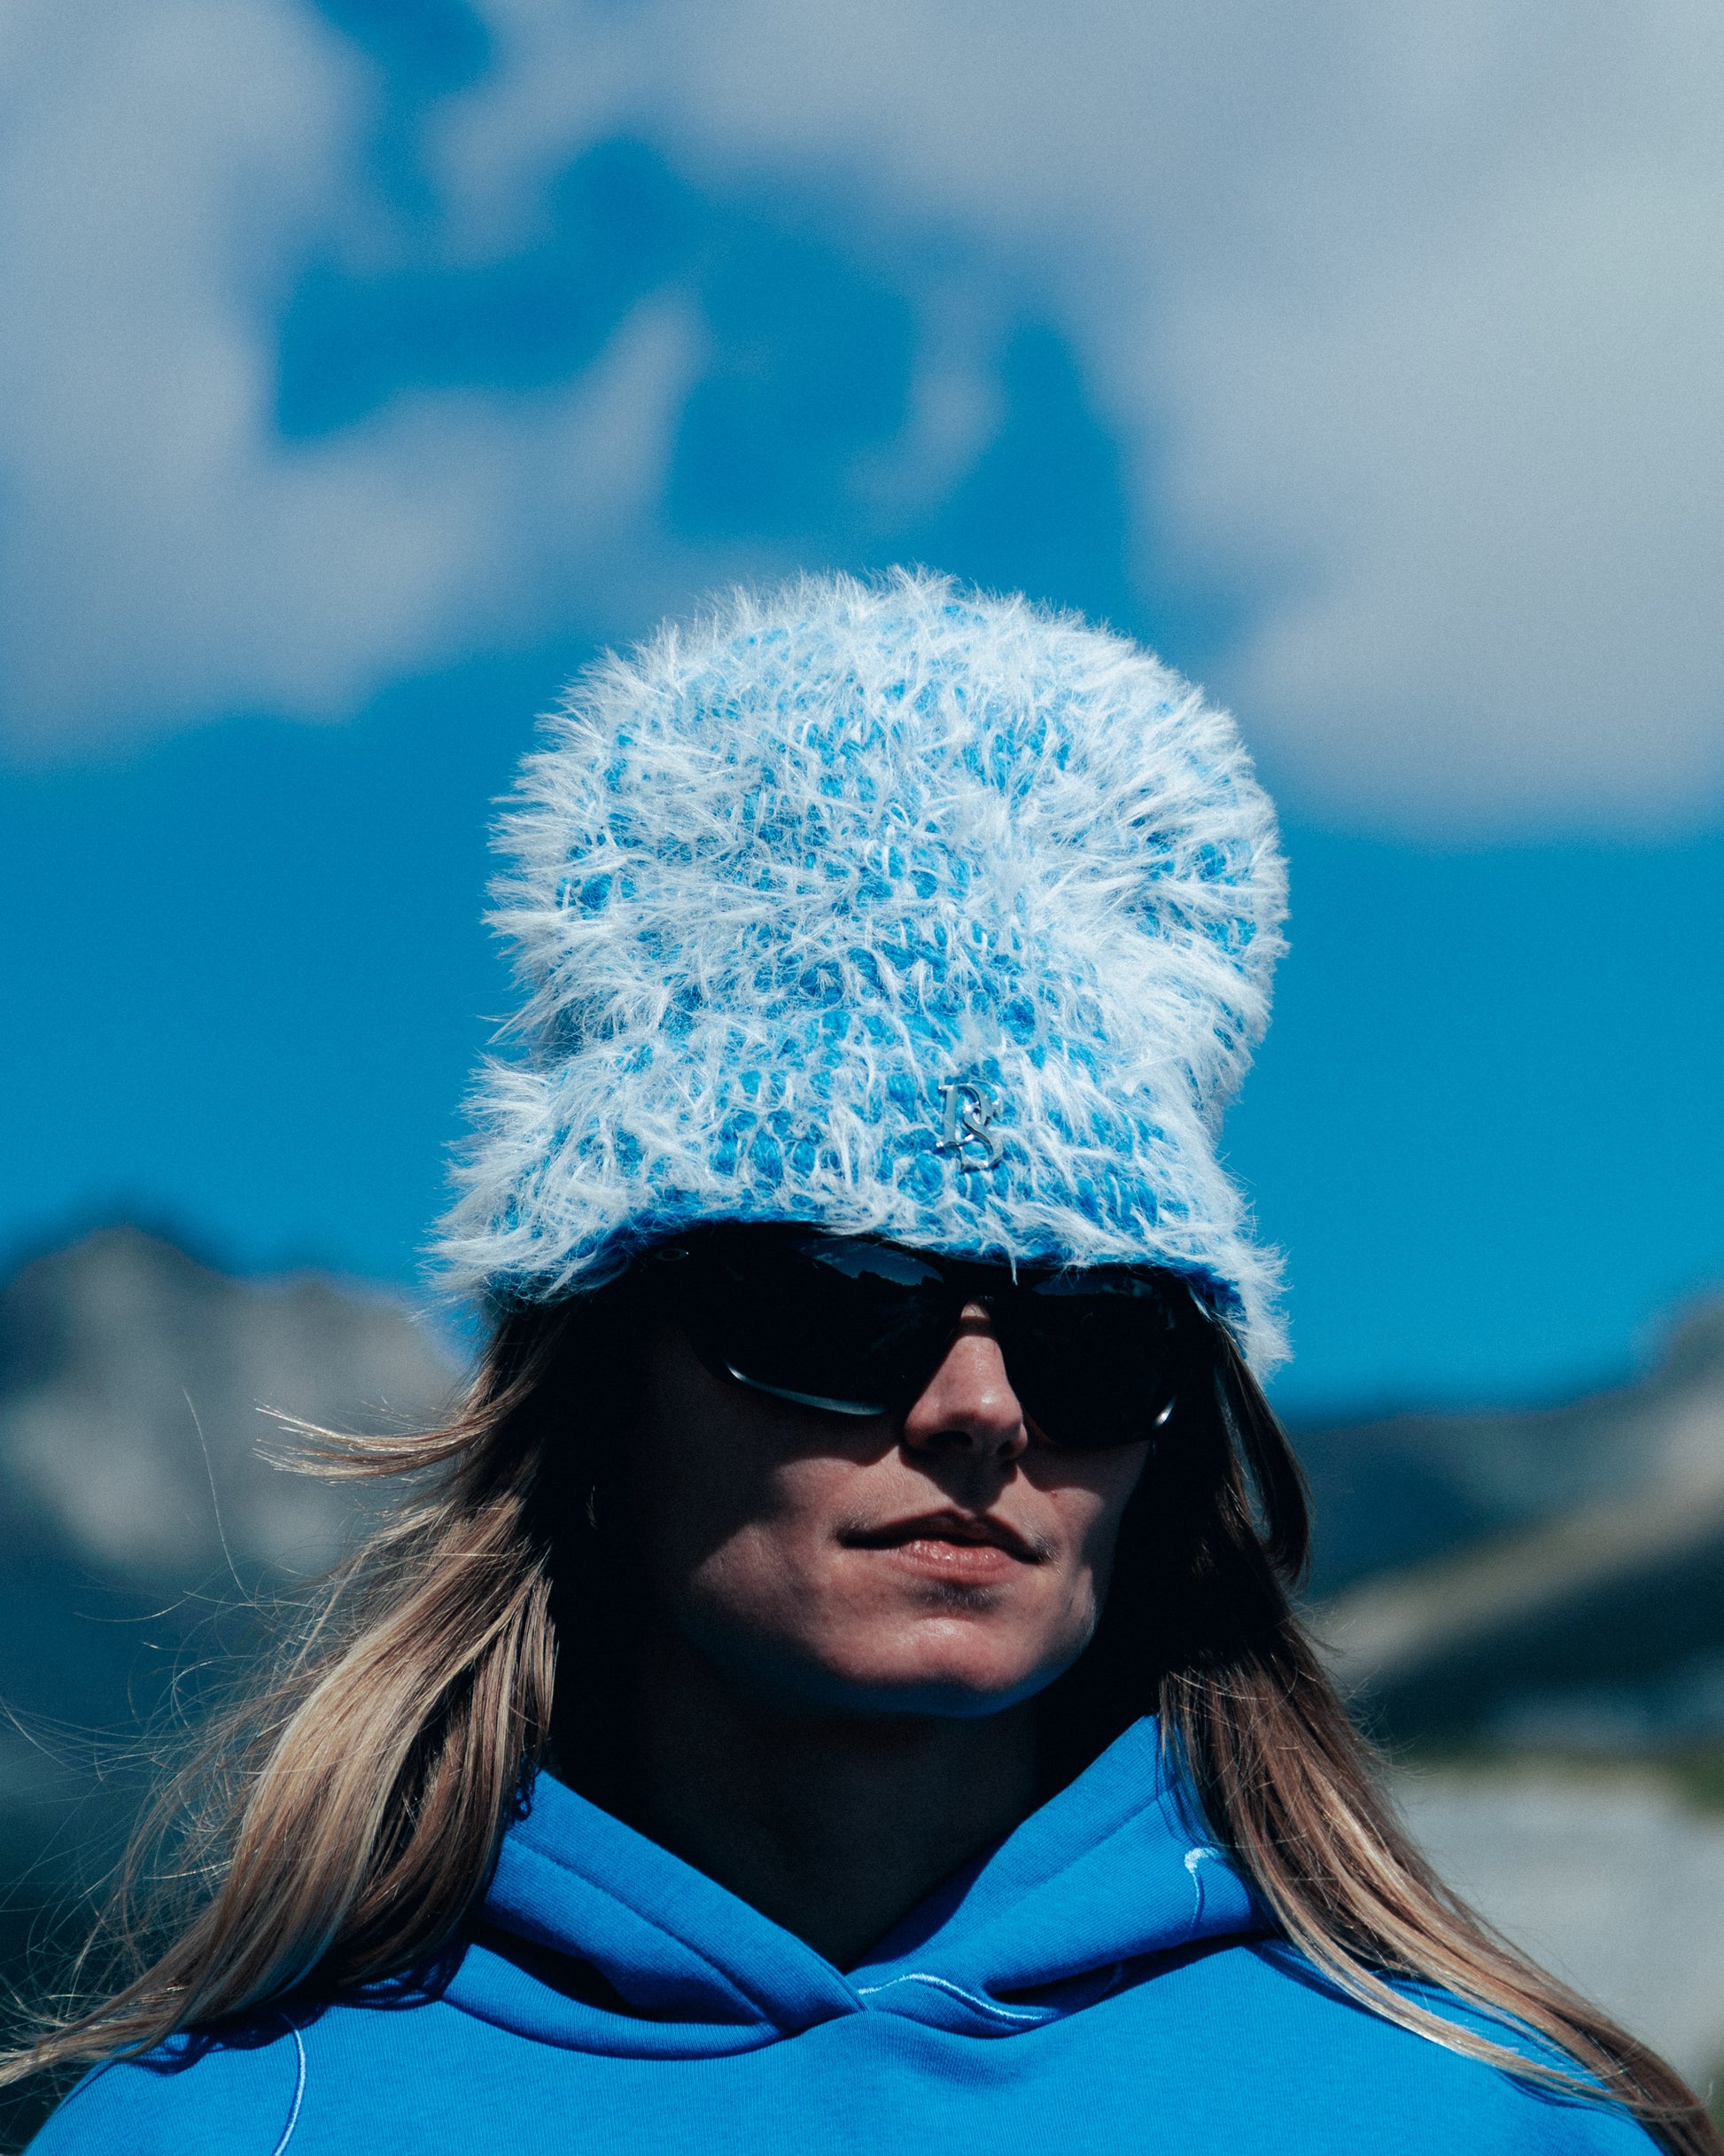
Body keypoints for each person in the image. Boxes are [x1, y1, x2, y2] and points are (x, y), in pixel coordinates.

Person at [9, 572, 1715, 2153]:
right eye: (837, 1303)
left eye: (1096, 1331)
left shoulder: (1496, 2126)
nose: (980, 1408)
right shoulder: (217, 2132)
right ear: (596, 1367)